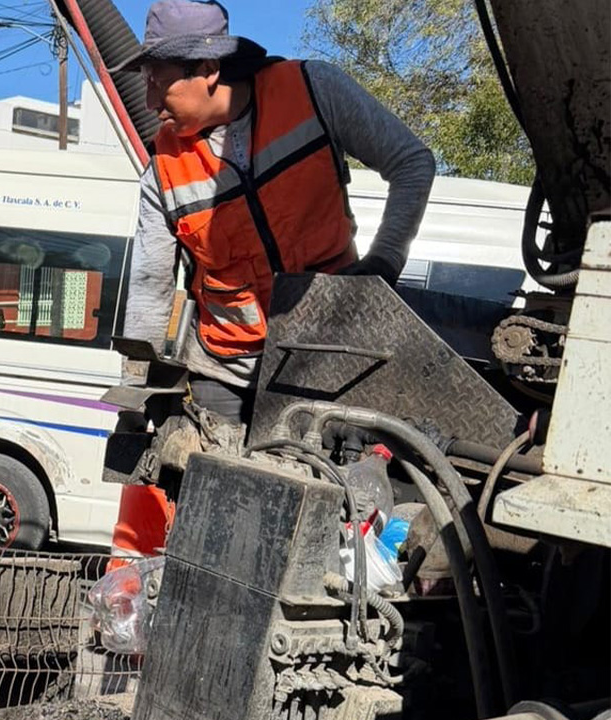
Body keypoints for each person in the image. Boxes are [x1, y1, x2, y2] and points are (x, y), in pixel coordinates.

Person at [108, 0, 435, 561]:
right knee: (215, 534)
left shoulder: (313, 91)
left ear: (207, 68)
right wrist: (137, 396)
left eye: (159, 83)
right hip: (225, 374)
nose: (149, 101)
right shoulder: (162, 168)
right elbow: (150, 289)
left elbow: (412, 162)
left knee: (327, 535)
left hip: (329, 365)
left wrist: (382, 264)